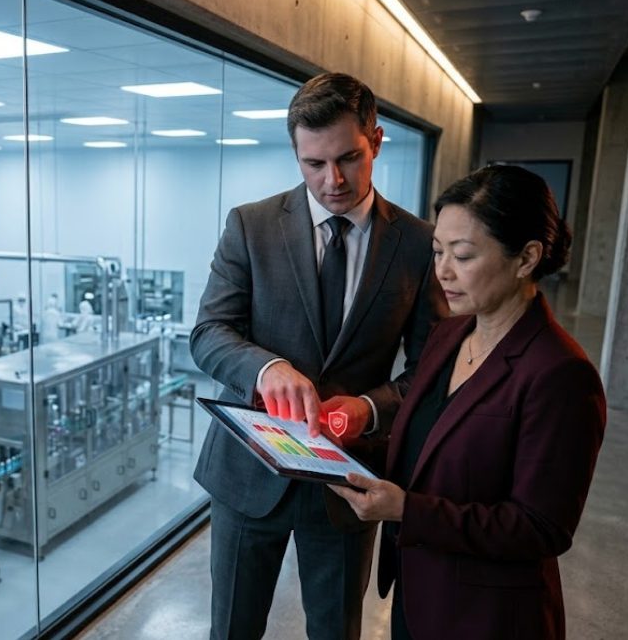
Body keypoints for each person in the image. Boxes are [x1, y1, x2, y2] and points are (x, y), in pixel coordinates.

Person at [191, 72, 447, 639]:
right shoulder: (250, 226)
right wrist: (266, 367)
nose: (332, 180)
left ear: (376, 141)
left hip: (348, 483)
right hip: (248, 474)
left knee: (335, 631)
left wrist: (370, 407)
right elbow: (208, 332)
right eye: (313, 163)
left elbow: (432, 369)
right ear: (296, 153)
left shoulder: (417, 244)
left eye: (349, 158)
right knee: (232, 629)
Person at [330, 165, 606, 639]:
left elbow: (542, 527)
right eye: (437, 251)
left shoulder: (559, 373)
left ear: (527, 258)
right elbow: (428, 445)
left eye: (463, 255)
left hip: (487, 614)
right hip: (419, 595)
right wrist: (334, 449)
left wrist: (406, 511)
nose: (442, 271)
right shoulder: (451, 334)